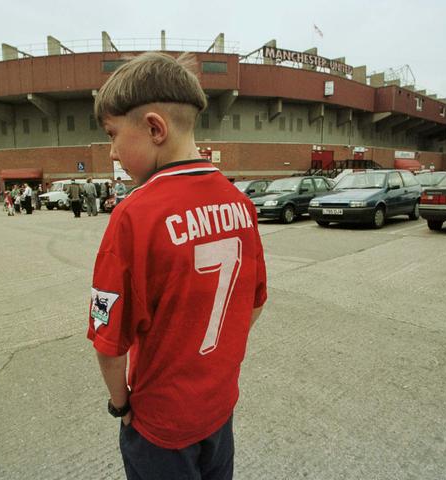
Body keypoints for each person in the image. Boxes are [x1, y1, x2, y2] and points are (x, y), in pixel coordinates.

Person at [87, 52, 267, 480]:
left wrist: (121, 404)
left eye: (113, 134)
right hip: (218, 408)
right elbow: (254, 304)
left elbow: (108, 343)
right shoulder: (241, 204)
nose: (112, 151)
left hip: (161, 425)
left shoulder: (134, 215)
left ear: (154, 128)